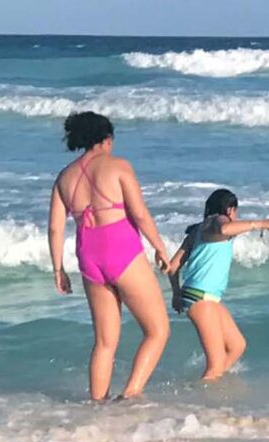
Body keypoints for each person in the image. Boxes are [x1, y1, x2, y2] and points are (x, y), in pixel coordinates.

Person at [48, 111, 176, 402]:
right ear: (106, 139)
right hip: (121, 249)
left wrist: (58, 269)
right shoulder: (118, 166)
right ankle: (130, 395)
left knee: (105, 343)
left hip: (88, 256)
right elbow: (139, 214)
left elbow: (55, 228)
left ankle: (97, 405)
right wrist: (159, 247)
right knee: (158, 330)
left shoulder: (64, 177)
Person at [168, 190, 269, 383]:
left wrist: (176, 294)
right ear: (229, 209)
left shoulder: (198, 230)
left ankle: (210, 382)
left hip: (203, 296)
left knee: (237, 345)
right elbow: (225, 229)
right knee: (215, 365)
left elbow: (172, 266)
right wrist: (262, 224)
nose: (235, 216)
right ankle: (203, 391)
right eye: (235, 211)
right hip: (201, 297)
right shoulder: (217, 221)